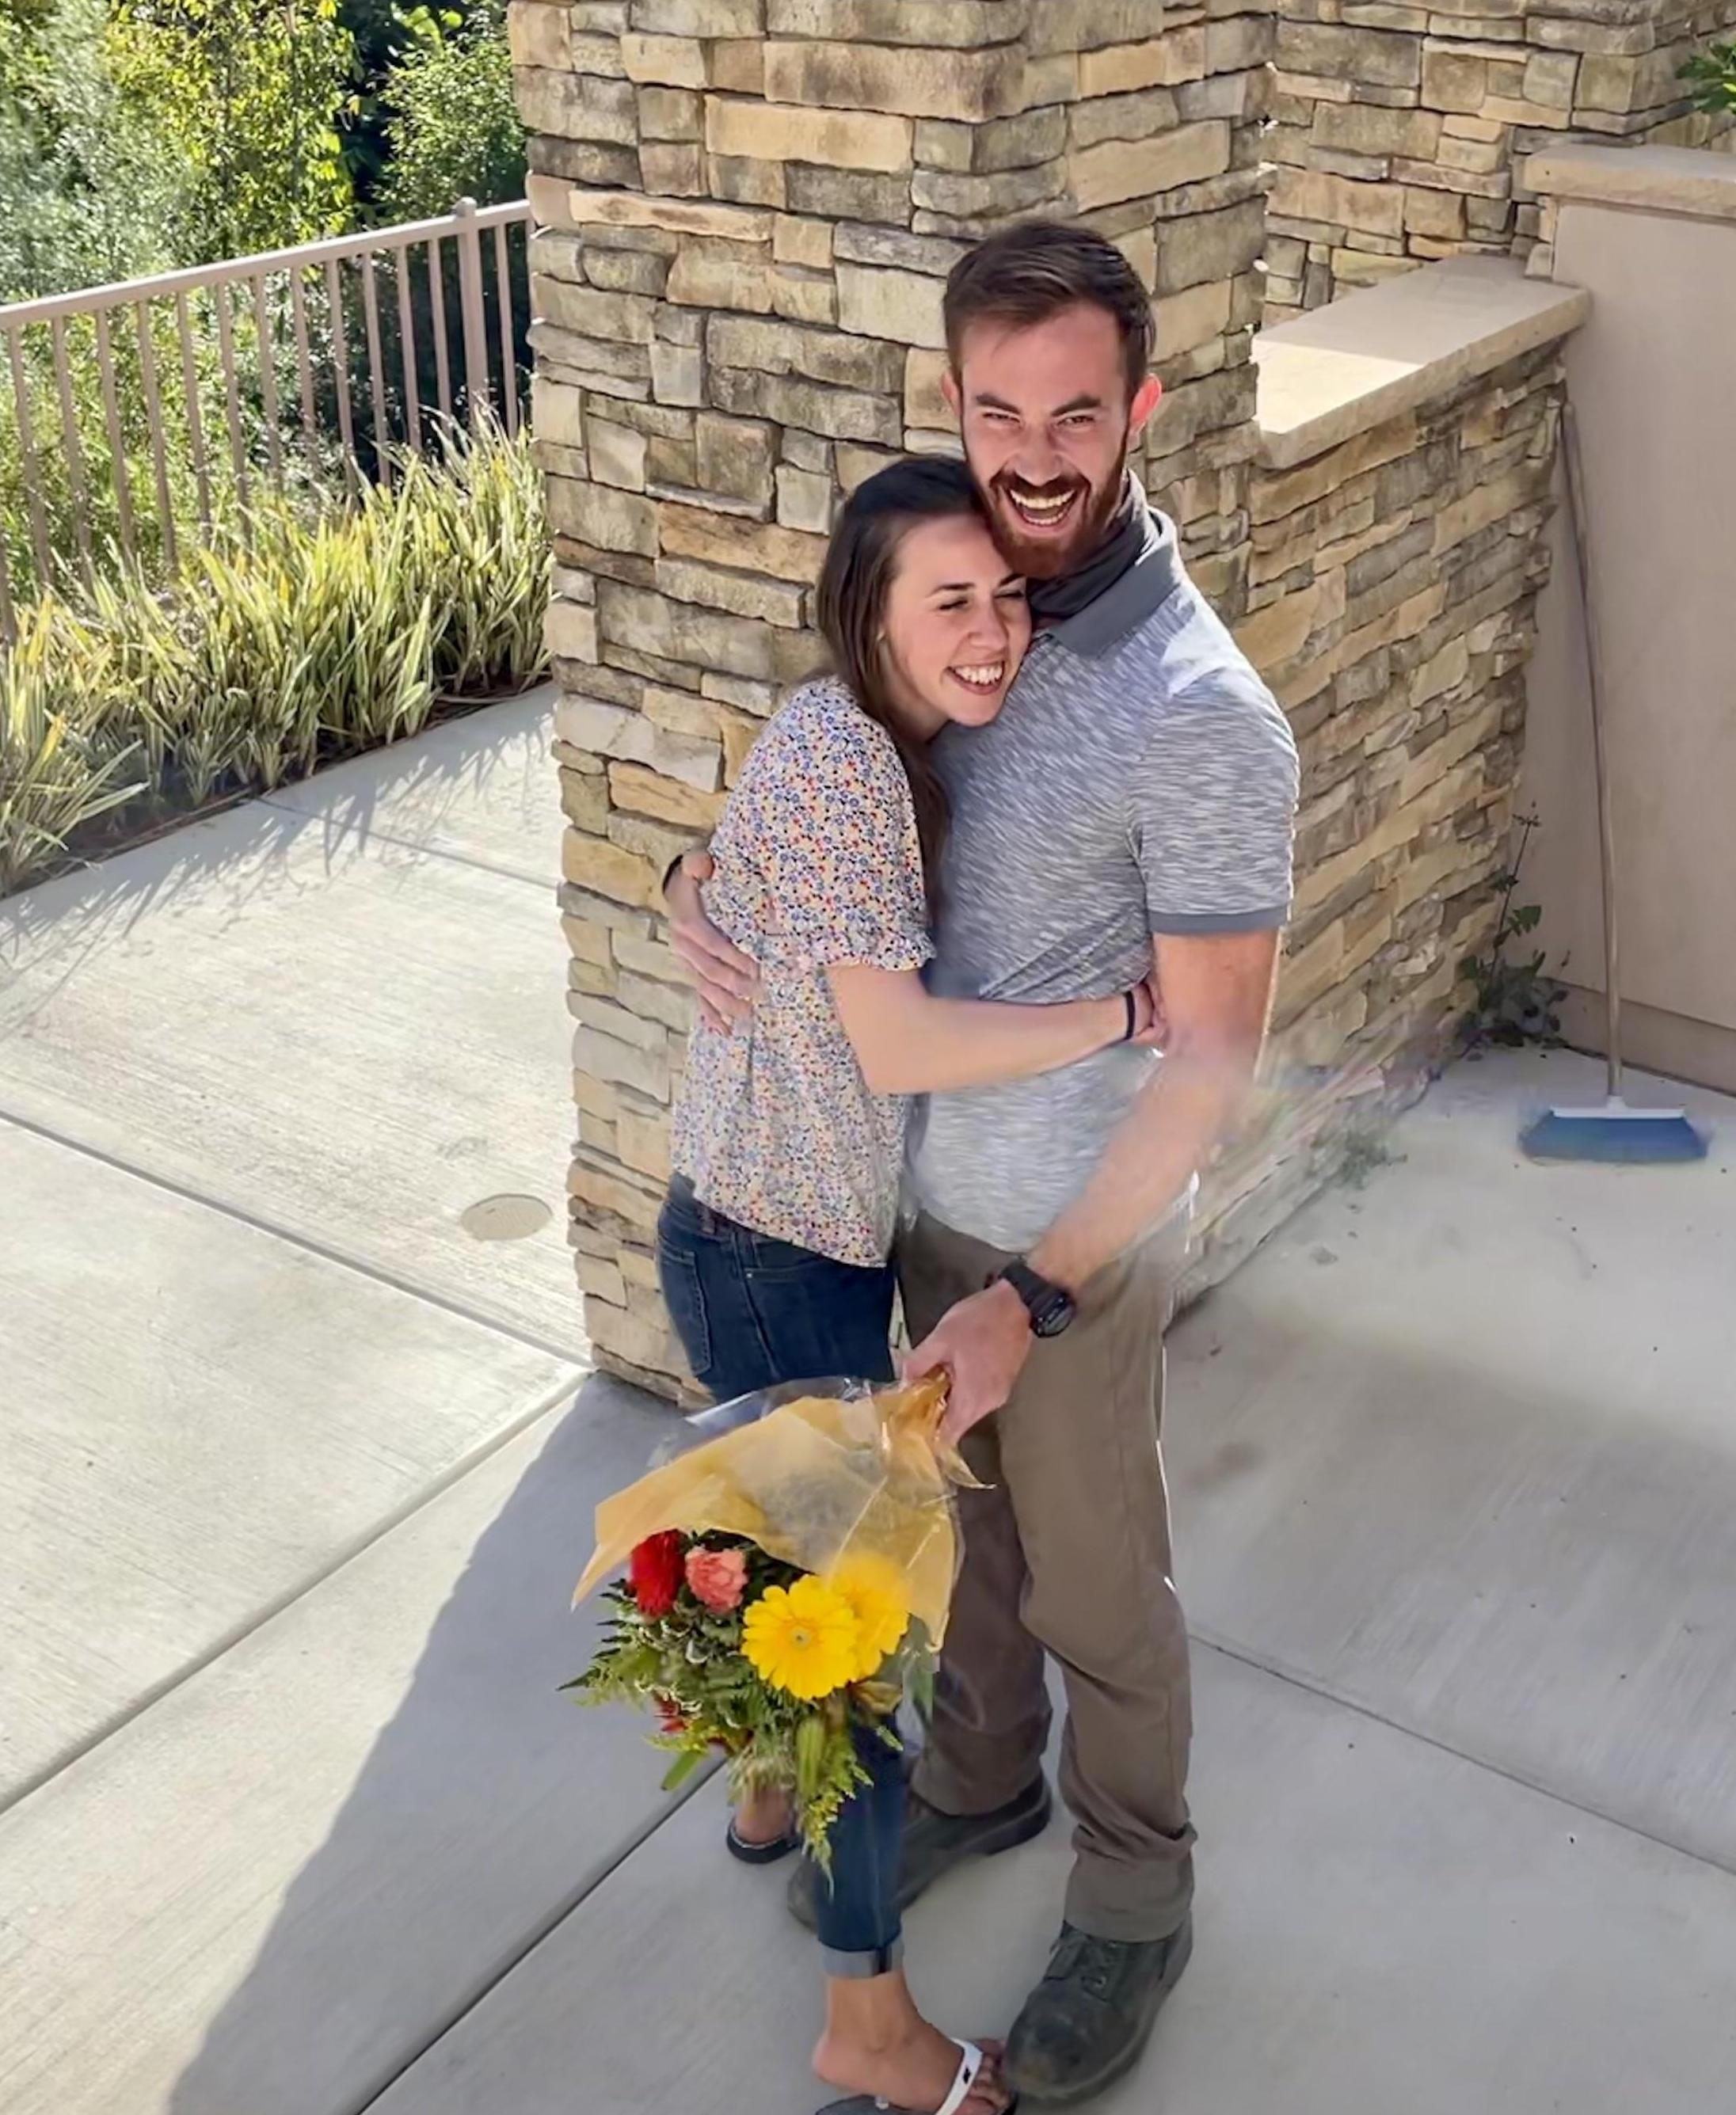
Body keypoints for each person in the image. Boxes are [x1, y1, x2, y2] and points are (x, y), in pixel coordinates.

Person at [668, 220, 1300, 2105]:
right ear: (955, 403)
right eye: (997, 407)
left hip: (1068, 1245)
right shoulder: (955, 608)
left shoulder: (1199, 717)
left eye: (1076, 412)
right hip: (904, 1211)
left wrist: (1037, 1293)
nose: (1035, 451)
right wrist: (693, 885)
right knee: (968, 1561)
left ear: (1144, 411)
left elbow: (1211, 1059)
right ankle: (972, 1776)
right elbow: (820, 813)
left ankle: (1133, 1892)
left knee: (1099, 1587)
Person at [654, 453, 1163, 2115]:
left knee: (763, 1566)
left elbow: (754, 900)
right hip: (770, 1257)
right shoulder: (853, 762)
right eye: (949, 599)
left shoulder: (852, 742)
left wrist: (688, 888)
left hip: (759, 1236)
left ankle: (750, 1793)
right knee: (852, 1655)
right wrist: (1119, 1017)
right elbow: (894, 1034)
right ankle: (866, 2024)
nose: (994, 626)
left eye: (1005, 593)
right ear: (864, 613)